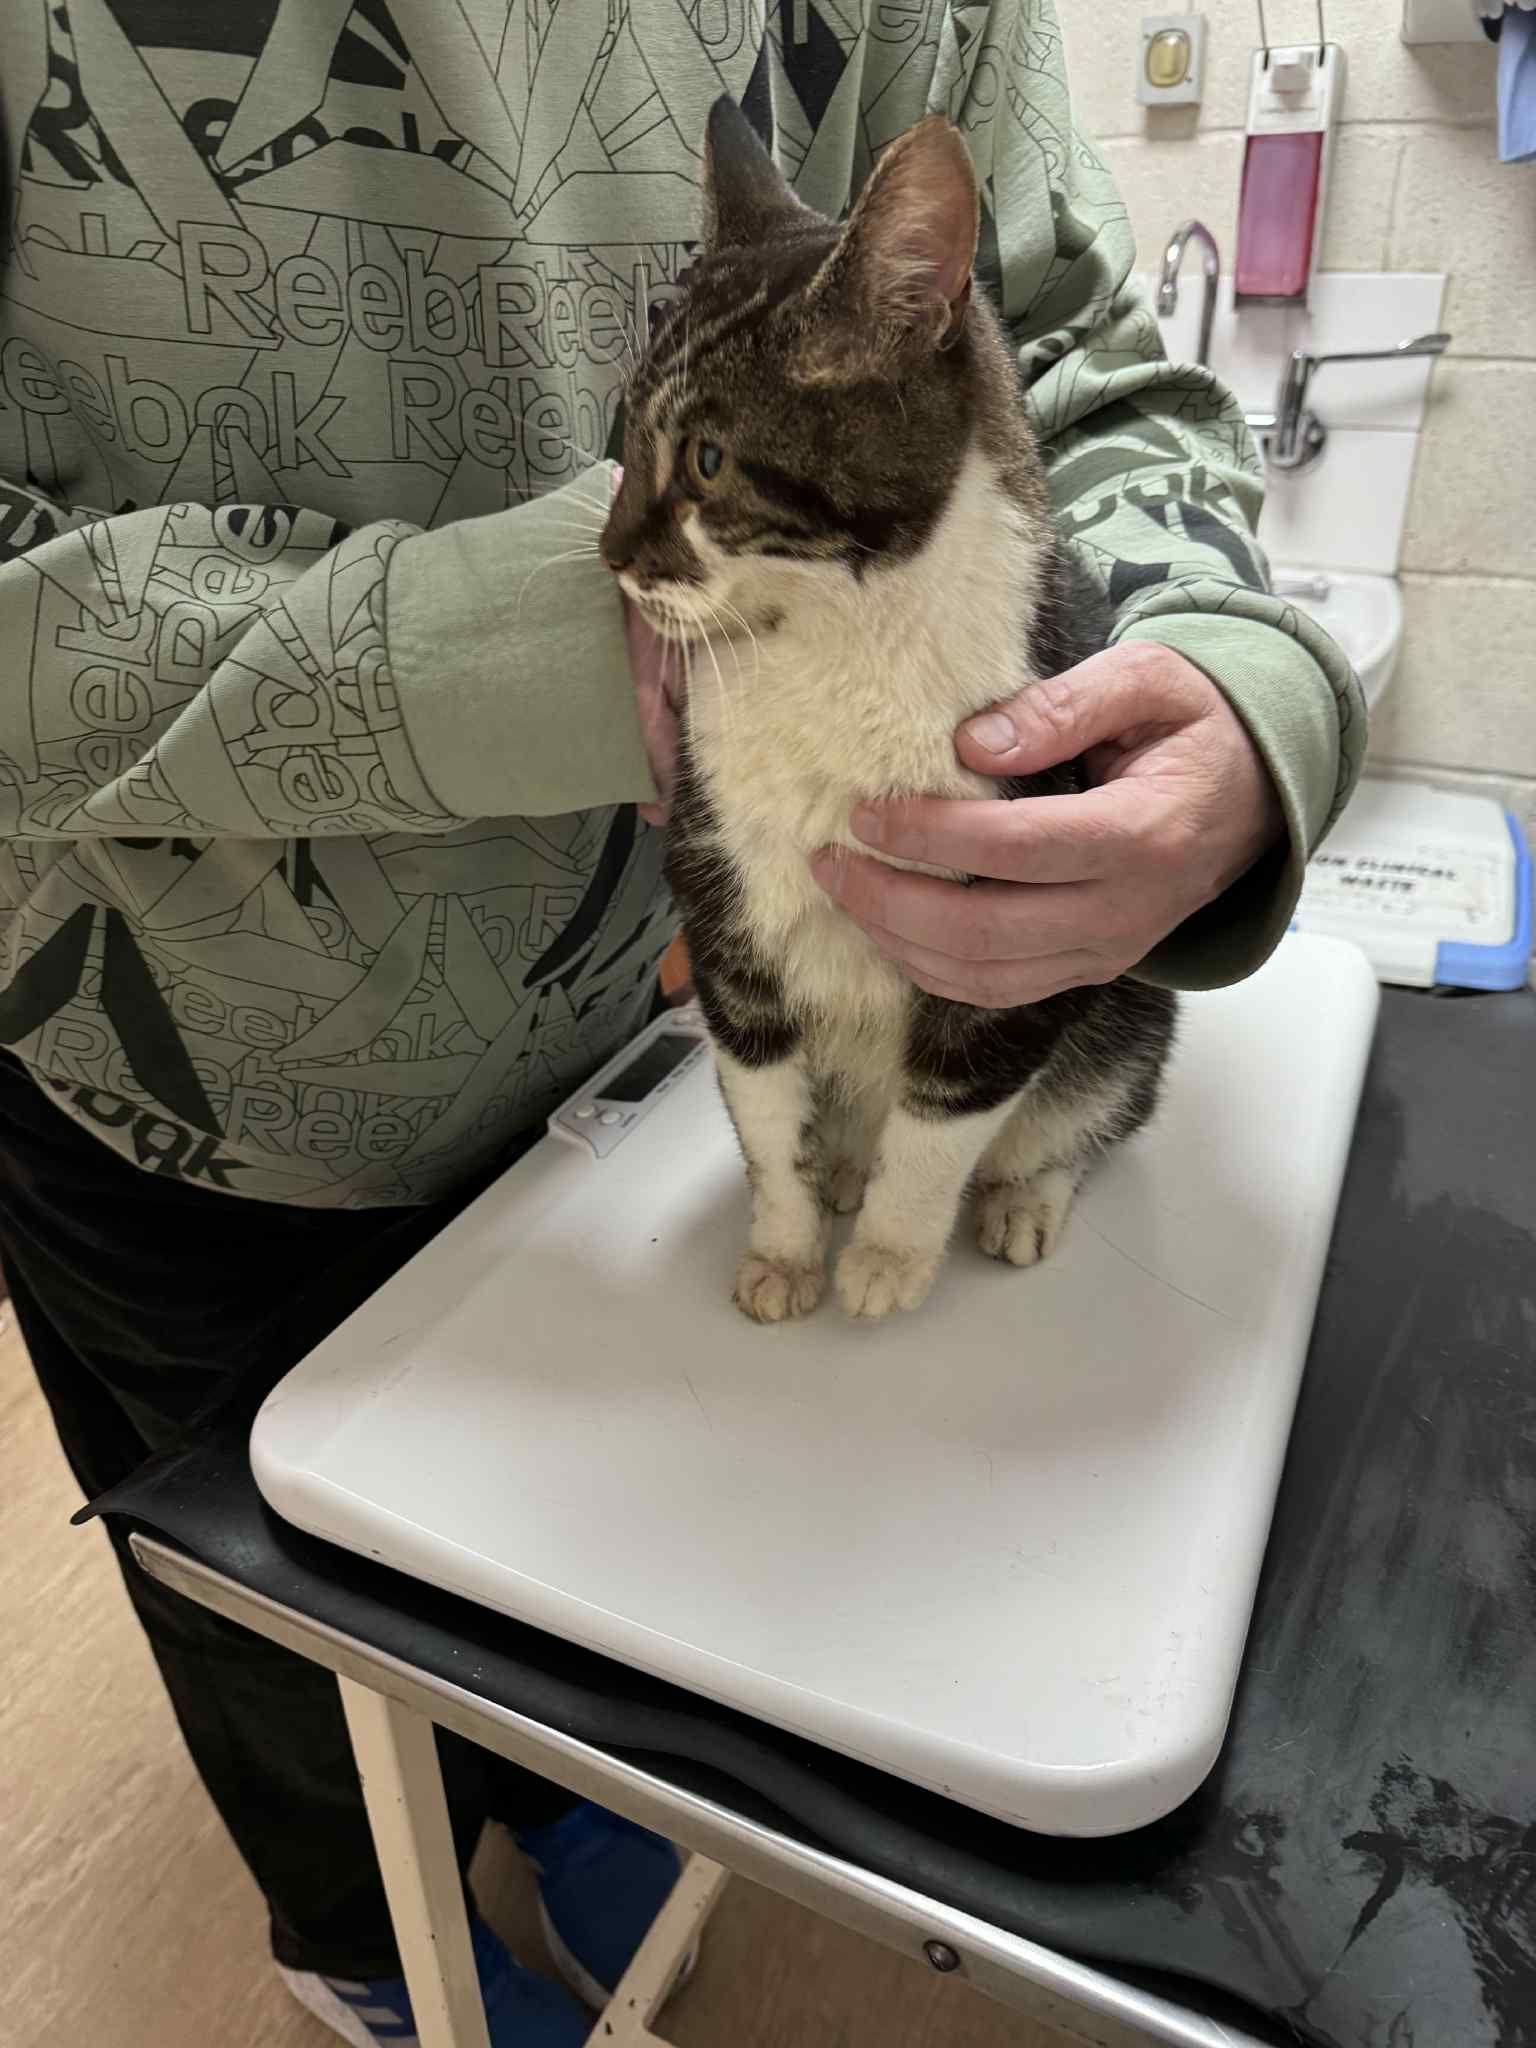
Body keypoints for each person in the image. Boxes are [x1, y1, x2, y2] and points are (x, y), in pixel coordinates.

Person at [0, 4, 1364, 2043]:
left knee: (573, 1602)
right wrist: (537, 637)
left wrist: (1248, 672)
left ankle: (540, 1807)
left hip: (618, 1066)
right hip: (196, 1066)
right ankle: (360, 1945)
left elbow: (1063, 342)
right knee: (294, 1669)